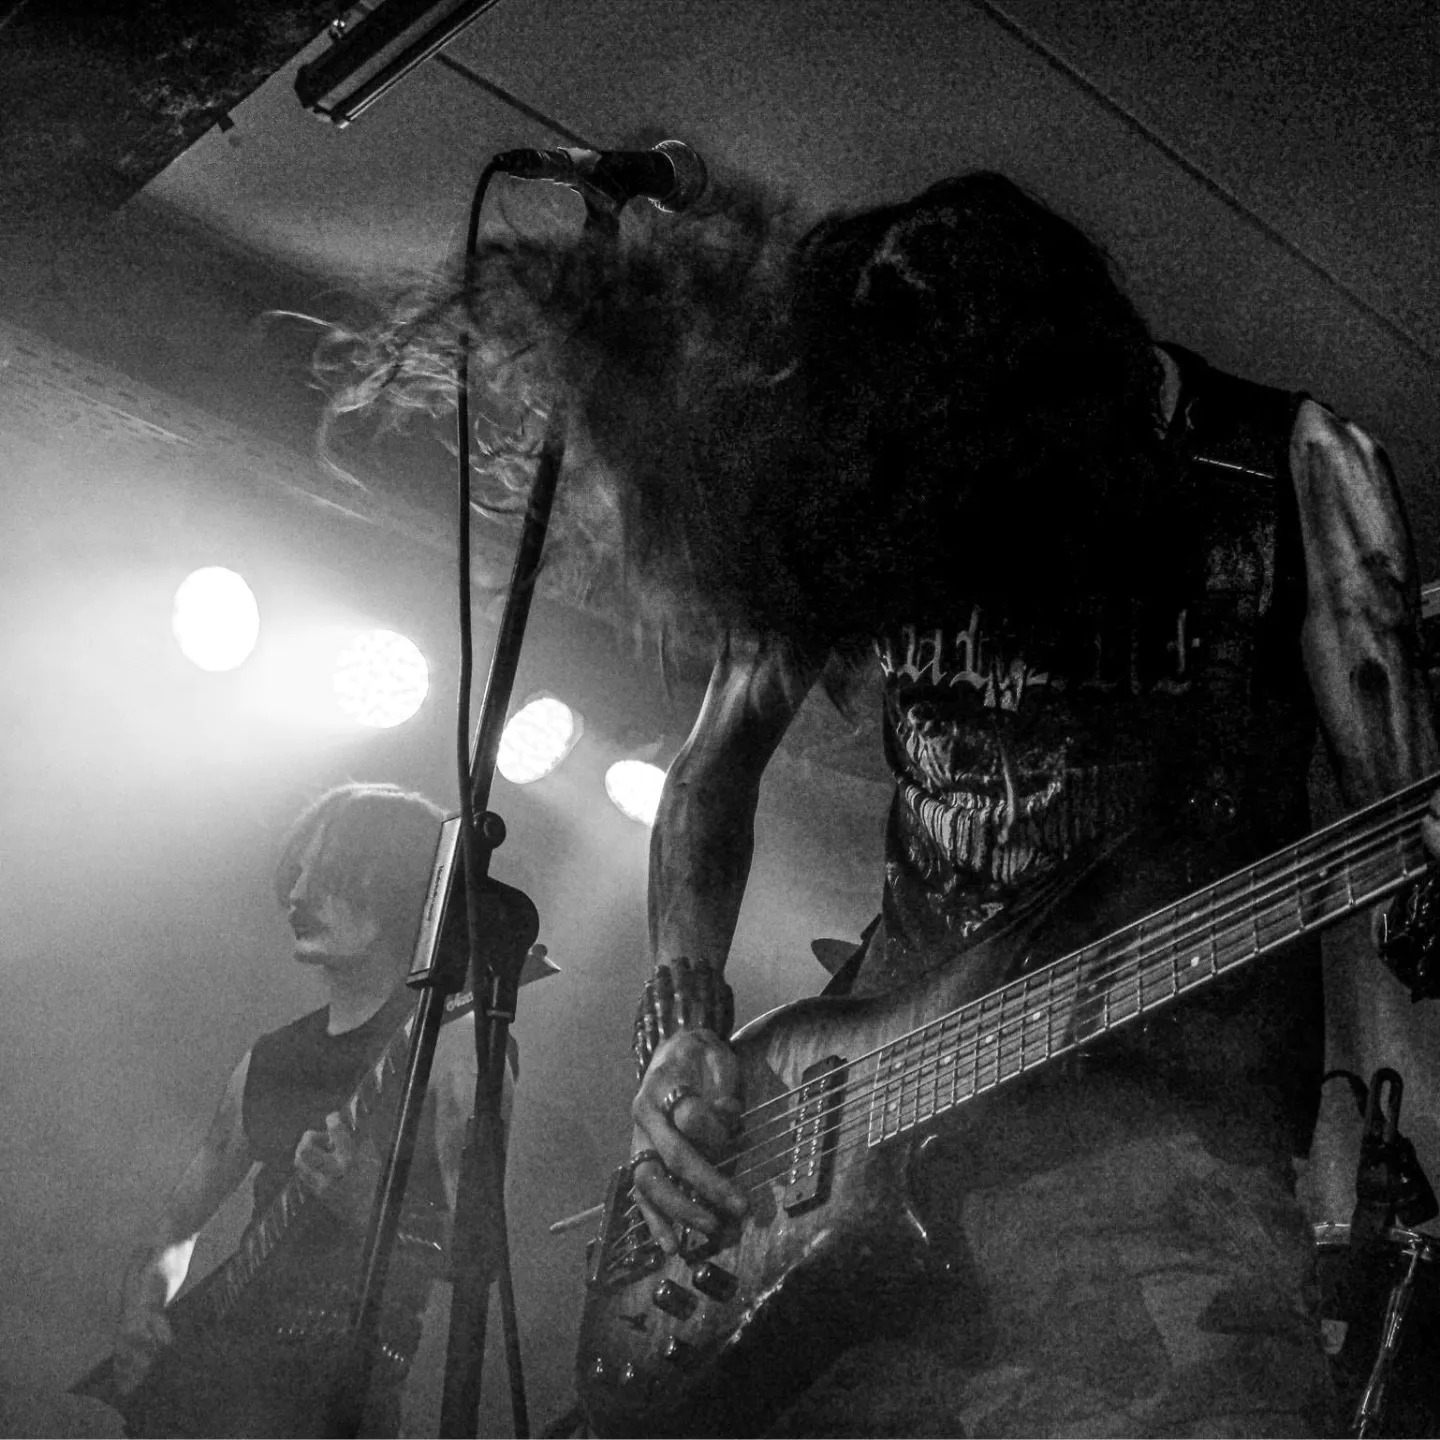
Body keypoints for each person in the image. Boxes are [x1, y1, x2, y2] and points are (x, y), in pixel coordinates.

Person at [334, 172, 1440, 1435]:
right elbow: (710, 768)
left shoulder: (1285, 470)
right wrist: (682, 1023)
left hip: (1152, 1155)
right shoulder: (874, 454)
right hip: (855, 1124)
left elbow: (1408, 850)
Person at [106, 782, 481, 1438]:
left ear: (400, 886)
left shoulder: (451, 1046)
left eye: (329, 873)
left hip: (340, 1408)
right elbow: (175, 1228)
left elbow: (482, 1260)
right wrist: (145, 1302)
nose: (298, 895)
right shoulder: (269, 1060)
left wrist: (367, 1204)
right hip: (218, 1387)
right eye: (297, 874)